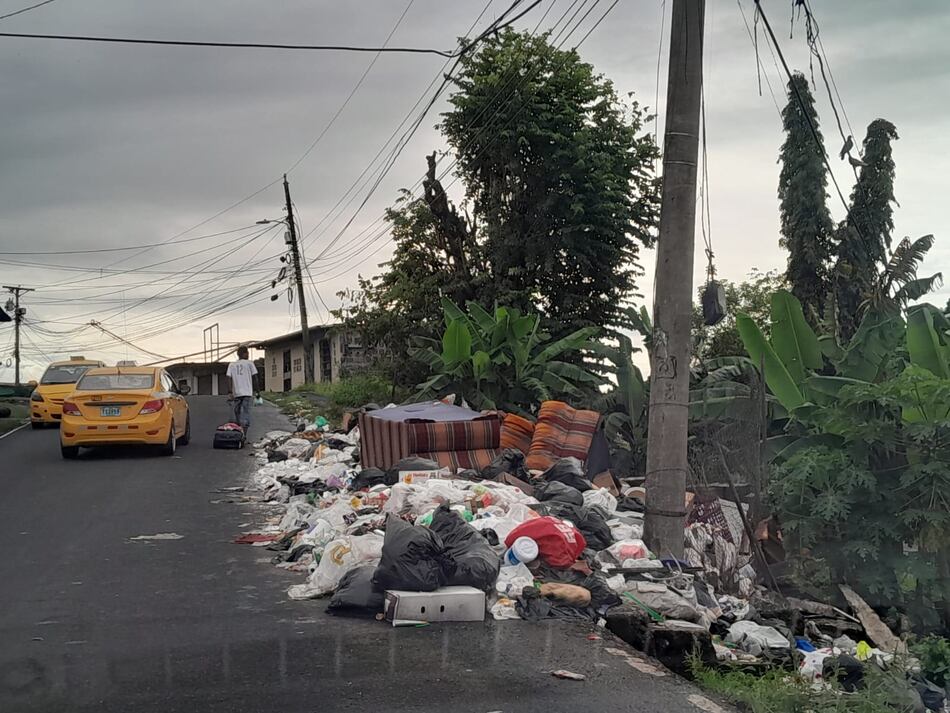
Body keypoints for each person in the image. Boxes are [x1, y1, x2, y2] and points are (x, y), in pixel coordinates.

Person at [226, 346, 258, 432]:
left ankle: (238, 428)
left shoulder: (231, 365)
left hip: (237, 393)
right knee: (246, 411)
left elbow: (228, 378)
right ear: (244, 354)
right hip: (247, 393)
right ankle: (244, 431)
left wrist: (230, 391)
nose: (248, 354)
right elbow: (255, 378)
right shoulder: (250, 363)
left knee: (237, 411)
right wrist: (258, 391)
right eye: (247, 352)